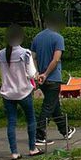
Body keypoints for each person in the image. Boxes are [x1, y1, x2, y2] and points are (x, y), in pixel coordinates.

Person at [0, 24, 42, 160]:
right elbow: (32, 73)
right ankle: (32, 148)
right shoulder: (25, 53)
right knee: (30, 119)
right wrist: (38, 76)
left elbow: (1, 69)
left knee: (11, 122)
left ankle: (14, 152)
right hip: (23, 91)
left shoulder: (1, 53)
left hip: (7, 93)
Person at [31, 11, 75, 146]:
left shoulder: (37, 37)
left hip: (42, 79)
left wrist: (37, 73)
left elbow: (33, 57)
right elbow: (56, 59)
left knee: (54, 105)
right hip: (53, 78)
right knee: (48, 106)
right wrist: (46, 73)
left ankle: (65, 130)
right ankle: (39, 134)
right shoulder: (58, 38)